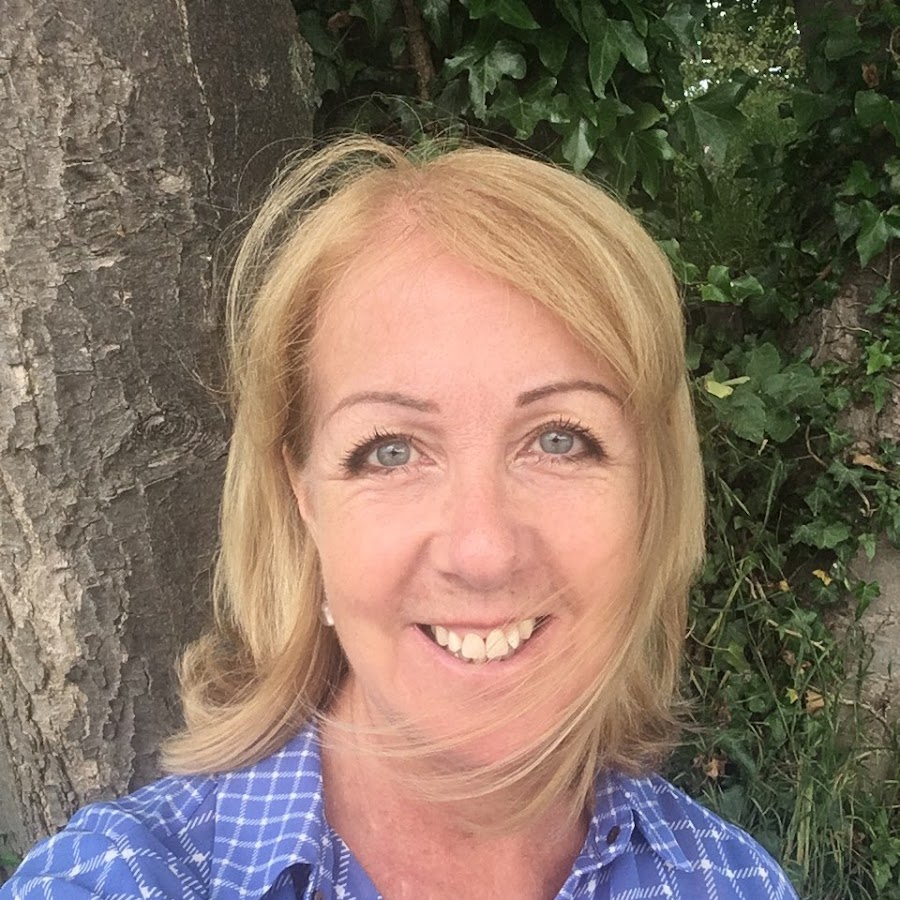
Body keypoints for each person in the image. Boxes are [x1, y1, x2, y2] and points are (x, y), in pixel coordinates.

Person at [1, 137, 798, 900]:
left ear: (651, 490)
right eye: (390, 452)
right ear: (304, 500)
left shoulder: (732, 884)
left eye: (560, 440)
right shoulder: (125, 878)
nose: (482, 550)